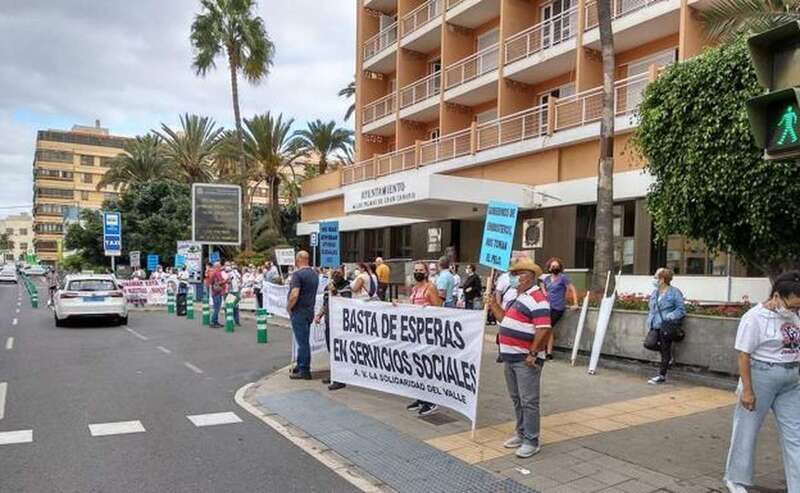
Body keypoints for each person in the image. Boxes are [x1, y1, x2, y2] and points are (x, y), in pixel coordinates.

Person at [724, 271, 800, 493]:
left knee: (795, 435)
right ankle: (735, 479)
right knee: (746, 430)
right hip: (761, 377)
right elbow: (744, 355)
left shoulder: (796, 315)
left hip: (791, 380)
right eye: (792, 305)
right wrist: (748, 391)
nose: (794, 310)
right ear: (776, 296)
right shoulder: (754, 317)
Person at [485, 258, 551, 459]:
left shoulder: (537, 299)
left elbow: (544, 328)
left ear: (528, 277)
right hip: (511, 357)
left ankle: (531, 440)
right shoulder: (519, 297)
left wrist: (533, 353)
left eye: (517, 274)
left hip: (525, 359)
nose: (513, 278)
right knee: (517, 398)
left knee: (528, 401)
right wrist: (493, 304)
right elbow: (504, 319)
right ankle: (521, 433)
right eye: (512, 274)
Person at [402, 262, 442, 416]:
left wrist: (428, 310)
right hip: (416, 332)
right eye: (416, 270)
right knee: (417, 365)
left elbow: (439, 308)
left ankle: (431, 401)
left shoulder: (430, 288)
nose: (418, 272)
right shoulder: (414, 288)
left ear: (426, 273)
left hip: (428, 333)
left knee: (427, 366)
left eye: (421, 270)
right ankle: (421, 397)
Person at [645, 267, 686, 384]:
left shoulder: (674, 292)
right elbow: (652, 309)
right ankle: (668, 356)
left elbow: (681, 310)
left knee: (665, 349)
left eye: (655, 277)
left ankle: (661, 376)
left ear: (662, 279)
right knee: (649, 344)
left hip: (666, 326)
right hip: (655, 325)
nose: (654, 279)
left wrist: (671, 315)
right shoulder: (655, 292)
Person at [316, 268, 350, 391]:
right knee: (331, 350)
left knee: (338, 351)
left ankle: (340, 379)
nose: (336, 274)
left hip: (339, 324)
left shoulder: (346, 286)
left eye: (338, 272)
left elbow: (345, 302)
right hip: (329, 322)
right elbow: (325, 303)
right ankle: (334, 374)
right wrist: (319, 315)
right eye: (334, 272)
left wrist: (335, 292)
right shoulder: (328, 287)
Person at [287, 251, 319, 380]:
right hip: (309, 310)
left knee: (302, 342)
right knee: (303, 339)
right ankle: (300, 364)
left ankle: (304, 369)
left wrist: (289, 307)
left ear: (299, 259)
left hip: (299, 310)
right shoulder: (314, 274)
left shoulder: (298, 275)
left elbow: (294, 294)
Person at [541, 257, 579, 360]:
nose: (555, 268)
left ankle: (543, 350)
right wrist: (543, 292)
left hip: (557, 308)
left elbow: (572, 289)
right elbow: (543, 288)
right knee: (549, 328)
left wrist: (575, 303)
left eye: (557, 266)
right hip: (547, 307)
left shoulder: (563, 278)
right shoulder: (546, 279)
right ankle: (549, 353)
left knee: (547, 327)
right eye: (553, 266)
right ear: (549, 268)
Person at [209, 261, 227, 328]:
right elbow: (218, 282)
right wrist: (225, 281)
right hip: (216, 292)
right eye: (219, 266)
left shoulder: (214, 273)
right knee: (217, 308)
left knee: (217, 308)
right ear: (217, 266)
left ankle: (216, 321)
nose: (220, 267)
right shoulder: (216, 273)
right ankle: (213, 322)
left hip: (217, 292)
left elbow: (211, 282)